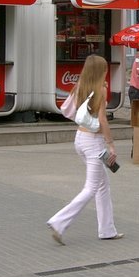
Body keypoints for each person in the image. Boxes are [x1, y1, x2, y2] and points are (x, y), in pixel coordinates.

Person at [47, 54, 123, 245]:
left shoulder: (79, 87)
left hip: (80, 138)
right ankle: (59, 222)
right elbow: (103, 120)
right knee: (90, 188)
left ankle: (107, 229)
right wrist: (111, 144)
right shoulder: (101, 90)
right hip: (94, 143)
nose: (106, 72)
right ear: (100, 71)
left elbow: (71, 111)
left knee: (102, 185)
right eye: (104, 69)